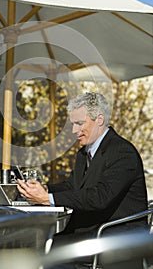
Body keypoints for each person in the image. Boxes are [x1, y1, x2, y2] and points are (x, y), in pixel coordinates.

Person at [17, 92, 148, 268]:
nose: (74, 131)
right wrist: (45, 189)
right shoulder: (84, 153)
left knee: (45, 250)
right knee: (39, 245)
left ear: (99, 120)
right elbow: (73, 185)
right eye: (73, 124)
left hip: (117, 238)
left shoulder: (122, 152)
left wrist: (47, 199)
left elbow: (99, 197)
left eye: (79, 123)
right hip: (94, 230)